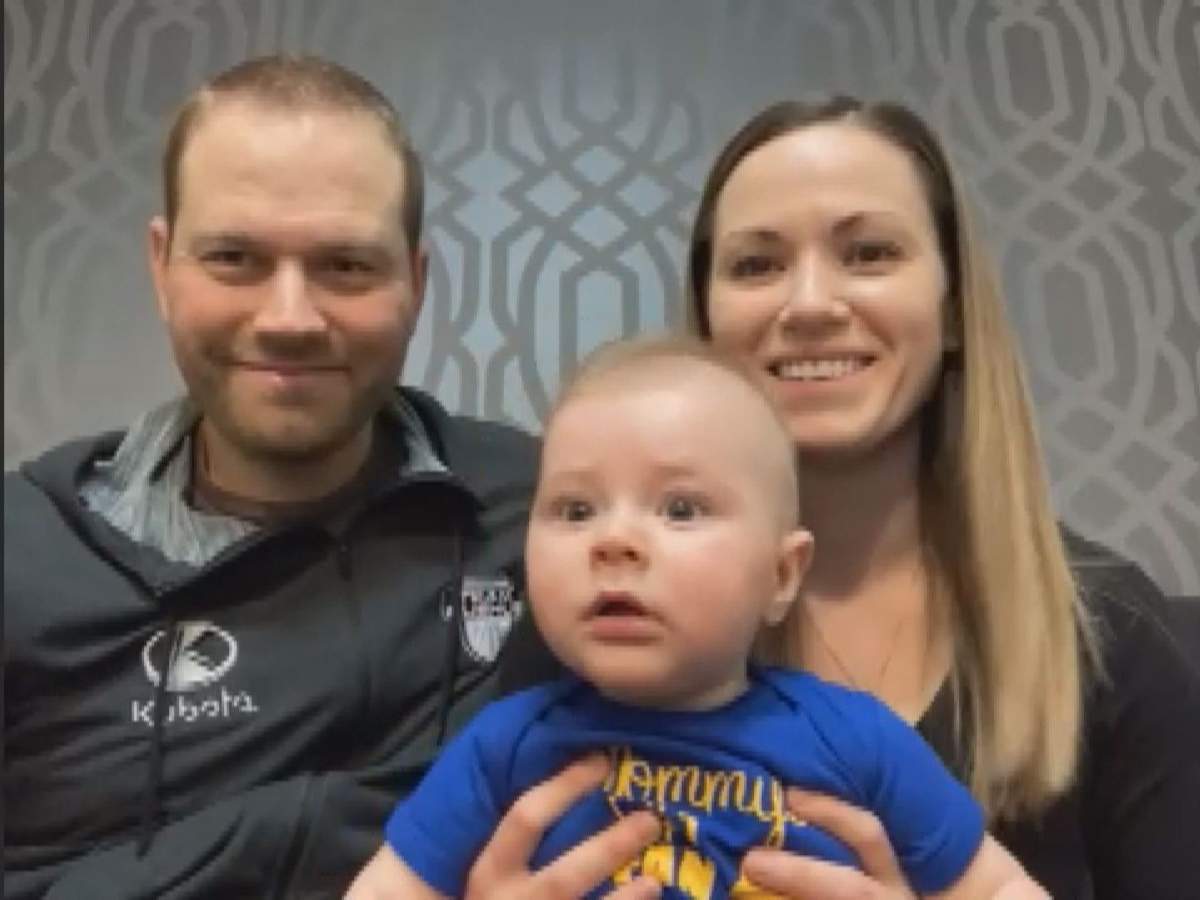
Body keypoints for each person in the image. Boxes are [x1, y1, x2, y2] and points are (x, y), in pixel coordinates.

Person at [460, 98, 1200, 900]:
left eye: (870, 252)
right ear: (708, 317)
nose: (809, 305)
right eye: (756, 265)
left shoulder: (1113, 634)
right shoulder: (595, 605)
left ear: (952, 309)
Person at [2, 54, 581, 899]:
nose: (289, 319)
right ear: (162, 269)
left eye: (345, 265)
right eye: (234, 257)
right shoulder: (23, 556)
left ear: (415, 283)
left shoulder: (544, 512)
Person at [347, 336, 1047, 900]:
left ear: (782, 575)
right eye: (575, 510)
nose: (612, 540)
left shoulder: (859, 743)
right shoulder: (503, 748)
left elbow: (999, 886)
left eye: (680, 509)